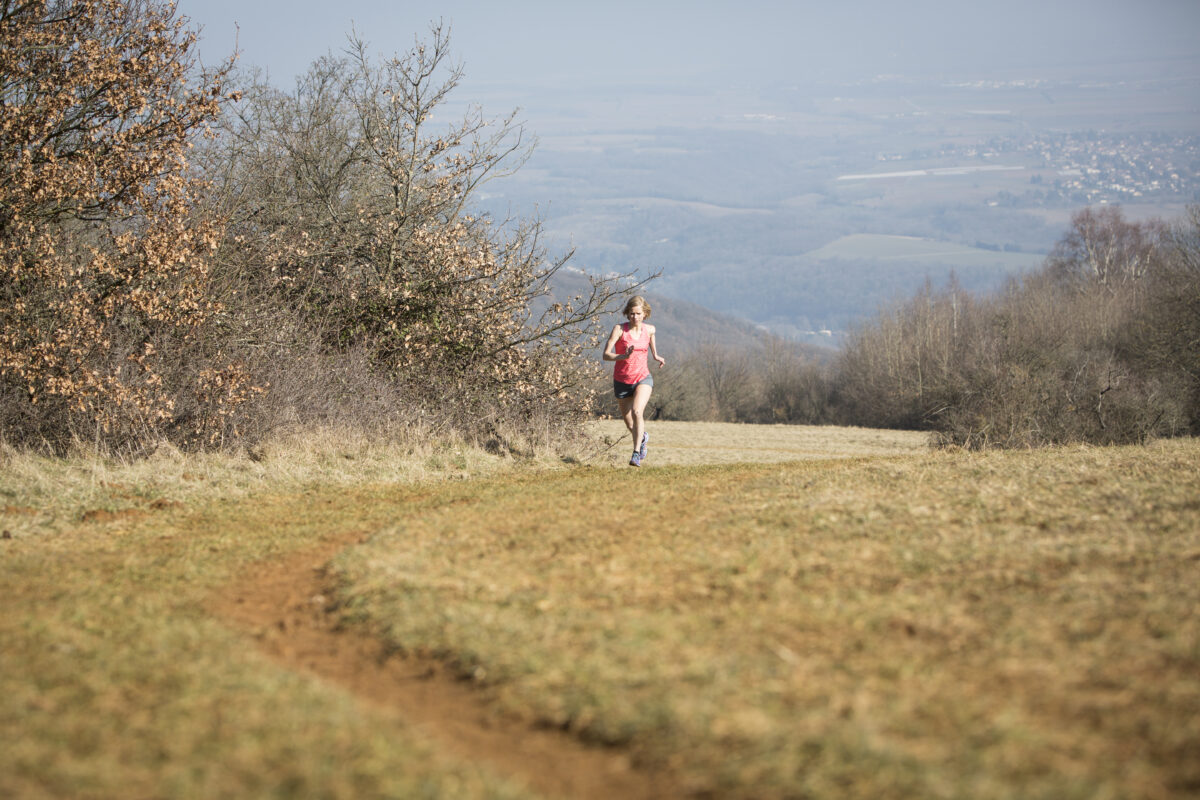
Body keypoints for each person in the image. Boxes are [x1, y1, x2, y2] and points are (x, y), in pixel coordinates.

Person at [603, 295, 666, 466]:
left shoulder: (650, 330)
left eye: (638, 314)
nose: (635, 317)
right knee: (631, 424)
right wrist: (623, 356)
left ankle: (636, 453)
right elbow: (606, 355)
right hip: (622, 381)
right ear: (627, 313)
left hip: (642, 378)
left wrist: (656, 356)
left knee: (638, 412)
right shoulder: (619, 330)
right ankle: (643, 438)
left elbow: (651, 345)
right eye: (631, 313)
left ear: (645, 314)